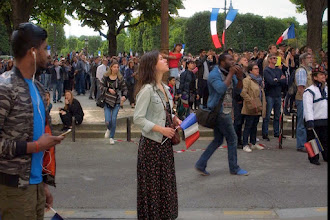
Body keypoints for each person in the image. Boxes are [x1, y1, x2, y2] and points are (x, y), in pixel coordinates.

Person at [0, 22, 65, 220]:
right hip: (14, 188)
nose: (48, 54)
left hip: (35, 186)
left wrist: (43, 184)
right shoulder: (5, 87)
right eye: (45, 48)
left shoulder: (37, 88)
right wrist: (36, 146)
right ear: (33, 52)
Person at [134, 51, 181, 219]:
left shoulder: (166, 88)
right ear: (153, 65)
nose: (166, 60)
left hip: (164, 146)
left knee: (165, 186)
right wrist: (161, 129)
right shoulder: (147, 90)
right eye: (161, 59)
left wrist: (175, 119)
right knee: (153, 188)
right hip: (151, 147)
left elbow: (166, 111)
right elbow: (138, 119)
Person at [195, 53, 248, 176]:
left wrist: (239, 77)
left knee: (218, 140)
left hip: (227, 110)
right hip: (219, 112)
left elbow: (238, 90)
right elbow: (220, 89)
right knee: (233, 139)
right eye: (230, 60)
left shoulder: (229, 72)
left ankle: (201, 164)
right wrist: (230, 74)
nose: (233, 61)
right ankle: (234, 168)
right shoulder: (214, 74)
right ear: (222, 62)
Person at [303, 65, 328, 165]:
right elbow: (308, 107)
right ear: (315, 77)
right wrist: (309, 120)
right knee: (312, 140)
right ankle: (313, 158)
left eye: (324, 75)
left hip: (324, 118)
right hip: (314, 119)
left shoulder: (326, 89)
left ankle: (326, 156)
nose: (323, 76)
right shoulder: (309, 91)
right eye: (321, 75)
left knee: (325, 139)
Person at [240, 62, 266, 152]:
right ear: (250, 70)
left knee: (255, 125)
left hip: (258, 105)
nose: (257, 70)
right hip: (250, 105)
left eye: (258, 68)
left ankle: (253, 142)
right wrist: (250, 100)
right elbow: (243, 92)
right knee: (248, 125)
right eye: (255, 69)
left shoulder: (258, 80)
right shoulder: (247, 80)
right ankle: (245, 144)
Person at [100, 61, 127, 145]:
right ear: (111, 67)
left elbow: (124, 88)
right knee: (108, 120)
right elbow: (100, 86)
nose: (116, 68)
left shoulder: (120, 78)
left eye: (117, 67)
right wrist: (108, 89)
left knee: (114, 119)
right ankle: (108, 128)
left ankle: (112, 137)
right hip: (107, 100)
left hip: (116, 101)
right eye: (114, 67)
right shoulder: (105, 77)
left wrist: (124, 96)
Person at [261, 53, 287, 141]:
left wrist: (277, 80)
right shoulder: (266, 70)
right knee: (267, 115)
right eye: (273, 58)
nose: (275, 60)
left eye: (276, 58)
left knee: (277, 115)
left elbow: (284, 81)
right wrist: (279, 80)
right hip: (270, 94)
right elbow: (270, 82)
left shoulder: (278, 70)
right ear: (269, 60)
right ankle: (265, 133)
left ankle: (277, 132)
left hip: (278, 94)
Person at [295, 53, 313, 152]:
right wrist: (307, 100)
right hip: (303, 100)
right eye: (309, 58)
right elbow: (301, 88)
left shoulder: (309, 70)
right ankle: (301, 145)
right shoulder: (301, 71)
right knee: (302, 122)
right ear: (303, 60)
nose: (311, 59)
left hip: (308, 100)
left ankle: (307, 143)